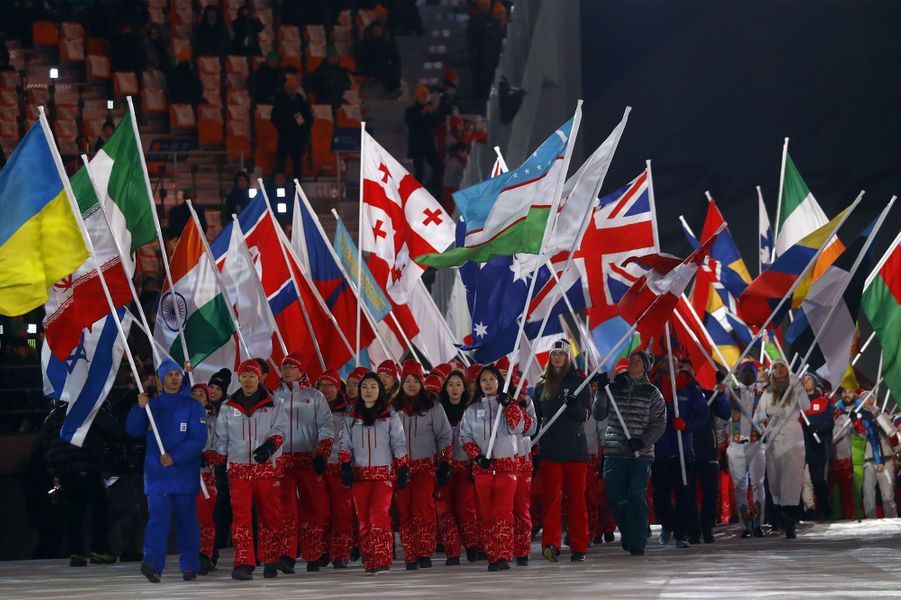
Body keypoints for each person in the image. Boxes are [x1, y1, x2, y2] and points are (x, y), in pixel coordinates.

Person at [126, 359, 207, 583]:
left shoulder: (193, 406)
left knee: (187, 522)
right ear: (162, 379)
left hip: (183, 477)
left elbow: (198, 439)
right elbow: (132, 430)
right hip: (157, 476)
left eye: (177, 374)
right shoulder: (152, 406)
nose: (174, 378)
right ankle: (153, 564)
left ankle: (190, 566)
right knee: (157, 521)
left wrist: (176, 456)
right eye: (169, 374)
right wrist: (139, 408)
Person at [209, 360, 288, 580]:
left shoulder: (275, 402)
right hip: (239, 469)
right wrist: (216, 457)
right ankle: (244, 562)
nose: (247, 380)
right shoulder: (228, 406)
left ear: (260, 378)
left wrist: (270, 447)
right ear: (239, 378)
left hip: (266, 469)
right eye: (243, 375)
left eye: (252, 375)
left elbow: (281, 429)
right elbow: (222, 438)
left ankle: (271, 559)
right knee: (241, 518)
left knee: (270, 517)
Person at [591, 350, 666, 556]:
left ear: (645, 367)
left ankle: (638, 539)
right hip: (615, 452)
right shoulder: (613, 388)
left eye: (638, 360)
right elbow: (598, 413)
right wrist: (601, 391)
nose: (633, 362)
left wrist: (642, 442)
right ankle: (627, 531)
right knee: (615, 498)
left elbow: (659, 423)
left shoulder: (652, 393)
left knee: (635, 494)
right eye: (631, 359)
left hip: (640, 455)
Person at [338, 372, 409, 575]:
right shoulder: (352, 417)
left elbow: (398, 443)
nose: (368, 391)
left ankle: (382, 558)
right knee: (364, 520)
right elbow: (345, 444)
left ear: (380, 390)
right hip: (360, 476)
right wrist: (345, 465)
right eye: (365, 387)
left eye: (373, 387)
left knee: (379, 516)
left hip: (383, 475)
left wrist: (403, 467)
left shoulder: (390, 415)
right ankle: (369, 559)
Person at [271, 352, 334, 573]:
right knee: (286, 509)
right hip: (282, 461)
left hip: (308, 459)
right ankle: (286, 555)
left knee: (314, 508)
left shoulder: (315, 396)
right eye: (284, 366)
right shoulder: (274, 396)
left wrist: (322, 453)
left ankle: (313, 554)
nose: (286, 370)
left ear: (301, 369)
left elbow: (326, 426)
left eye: (291, 366)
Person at [42, 400, 122, 567]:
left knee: (73, 513)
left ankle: (76, 553)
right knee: (99, 510)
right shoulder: (91, 409)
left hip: (65, 470)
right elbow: (115, 431)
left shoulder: (53, 417)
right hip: (89, 466)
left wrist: (55, 470)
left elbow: (46, 445)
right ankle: (99, 550)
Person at [460, 365, 524, 571]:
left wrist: (510, 406)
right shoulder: (471, 410)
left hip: (506, 466)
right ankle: (492, 555)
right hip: (484, 469)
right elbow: (465, 437)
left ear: (499, 382)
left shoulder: (508, 404)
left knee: (503, 511)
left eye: (492, 380)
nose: (488, 384)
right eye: (484, 380)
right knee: (486, 513)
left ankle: (504, 554)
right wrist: (477, 456)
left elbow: (518, 427)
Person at [532, 340, 591, 562]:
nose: (557, 357)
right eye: (554, 354)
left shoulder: (579, 382)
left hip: (575, 449)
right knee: (551, 499)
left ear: (568, 357)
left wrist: (574, 404)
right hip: (550, 450)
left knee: (576, 498)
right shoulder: (540, 386)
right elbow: (535, 419)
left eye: (561, 354)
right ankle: (551, 544)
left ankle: (579, 545)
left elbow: (586, 415)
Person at [392, 360, 453, 569]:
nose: (411, 384)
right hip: (401, 468)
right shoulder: (394, 409)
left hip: (425, 467)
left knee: (423, 507)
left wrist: (445, 461)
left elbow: (444, 436)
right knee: (405, 510)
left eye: (415, 380)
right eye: (407, 380)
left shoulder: (433, 407)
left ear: (422, 382)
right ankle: (410, 554)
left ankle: (425, 551)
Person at [651, 356, 709, 549]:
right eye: (666, 361)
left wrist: (686, 424)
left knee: (685, 494)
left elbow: (702, 416)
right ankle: (669, 524)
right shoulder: (654, 386)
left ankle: (681, 533)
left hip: (682, 449)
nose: (670, 365)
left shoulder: (690, 387)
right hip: (659, 450)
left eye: (673, 362)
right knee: (660, 496)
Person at [753, 359, 809, 539]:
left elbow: (806, 406)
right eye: (775, 367)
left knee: (791, 480)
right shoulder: (767, 393)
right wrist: (767, 412)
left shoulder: (794, 388)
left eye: (782, 366)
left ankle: (790, 522)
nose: (779, 369)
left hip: (793, 439)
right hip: (774, 440)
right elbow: (755, 418)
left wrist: (798, 386)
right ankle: (779, 518)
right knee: (775, 482)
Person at [436, 369, 480, 563]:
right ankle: (452, 551)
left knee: (465, 508)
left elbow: (477, 438)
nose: (454, 389)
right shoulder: (437, 410)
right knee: (445, 509)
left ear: (464, 388)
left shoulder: (471, 411)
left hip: (465, 466)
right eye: (451, 385)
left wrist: (475, 464)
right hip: (443, 467)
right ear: (445, 388)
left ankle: (472, 545)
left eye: (458, 385)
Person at [685, 360, 731, 544]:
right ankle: (693, 529)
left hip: (708, 450)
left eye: (689, 371)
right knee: (687, 493)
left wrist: (720, 395)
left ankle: (707, 526)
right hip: (687, 449)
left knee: (710, 492)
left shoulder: (707, 394)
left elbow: (726, 413)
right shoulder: (676, 396)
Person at [725, 361, 767, 537]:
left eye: (751, 372)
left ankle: (758, 523)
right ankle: (745, 525)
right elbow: (722, 416)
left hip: (757, 444)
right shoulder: (731, 393)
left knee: (758, 483)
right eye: (745, 372)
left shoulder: (763, 394)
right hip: (736, 446)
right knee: (740, 486)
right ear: (739, 374)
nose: (748, 375)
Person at [320, 368, 356, 568]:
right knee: (320, 512)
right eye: (322, 385)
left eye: (330, 385)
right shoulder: (314, 407)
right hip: (319, 467)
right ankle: (321, 551)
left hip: (340, 466)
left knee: (342, 513)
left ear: (337, 386)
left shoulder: (349, 410)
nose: (326, 390)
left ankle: (341, 553)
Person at [585, 372, 617, 545]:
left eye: (595, 386)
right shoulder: (579, 405)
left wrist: (605, 451)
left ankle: (608, 527)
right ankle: (593, 530)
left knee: (602, 495)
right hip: (583, 456)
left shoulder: (602, 404)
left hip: (599, 455)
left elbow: (604, 430)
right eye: (590, 386)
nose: (593, 389)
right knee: (589, 497)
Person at [191, 383, 218, 575]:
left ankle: (205, 554)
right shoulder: (182, 417)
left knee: (206, 517)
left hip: (208, 475)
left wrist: (208, 456)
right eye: (194, 394)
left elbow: (221, 443)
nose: (197, 397)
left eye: (201, 395)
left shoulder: (215, 420)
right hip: (187, 474)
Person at [857, 393, 898, 518]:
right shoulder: (859, 419)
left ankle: (893, 523)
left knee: (887, 496)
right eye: (864, 398)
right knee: (868, 496)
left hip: (885, 459)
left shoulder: (882, 415)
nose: (868, 400)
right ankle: (871, 523)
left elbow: (891, 433)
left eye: (870, 397)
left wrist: (877, 415)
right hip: (867, 460)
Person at [511, 372, 537, 565]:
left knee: (521, 507)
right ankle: (502, 548)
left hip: (522, 459)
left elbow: (530, 428)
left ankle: (522, 550)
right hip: (499, 460)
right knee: (502, 509)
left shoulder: (525, 401)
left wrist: (515, 407)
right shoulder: (486, 402)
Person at [405, 85, 444, 197]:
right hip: (417, 145)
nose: (424, 97)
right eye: (422, 95)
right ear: (417, 97)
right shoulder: (411, 110)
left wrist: (433, 112)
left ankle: (435, 190)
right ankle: (418, 194)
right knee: (419, 172)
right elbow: (410, 121)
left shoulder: (430, 109)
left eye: (426, 95)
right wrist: (423, 112)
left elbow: (437, 123)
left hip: (428, 144)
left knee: (438, 166)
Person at [271, 77, 313, 179]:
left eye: (294, 87)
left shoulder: (301, 102)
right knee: (281, 164)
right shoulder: (280, 101)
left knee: (297, 167)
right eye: (290, 87)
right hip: (285, 137)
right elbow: (275, 118)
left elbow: (309, 119)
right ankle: (278, 189)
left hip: (298, 138)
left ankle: (297, 190)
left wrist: (302, 127)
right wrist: (285, 126)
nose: (292, 90)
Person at [830, 387, 857, 520]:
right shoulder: (825, 420)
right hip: (829, 460)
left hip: (844, 460)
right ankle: (830, 518)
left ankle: (849, 517)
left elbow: (859, 432)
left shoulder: (844, 419)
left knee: (846, 492)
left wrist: (855, 421)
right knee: (830, 494)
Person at [355, 21, 402, 95]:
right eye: (375, 30)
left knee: (391, 70)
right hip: (367, 69)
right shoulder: (363, 44)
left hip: (382, 69)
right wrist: (360, 73)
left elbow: (395, 60)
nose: (377, 32)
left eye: (379, 30)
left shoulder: (387, 45)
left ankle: (393, 90)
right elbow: (359, 59)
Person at [309, 46, 352, 110]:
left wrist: (339, 85)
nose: (335, 58)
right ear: (327, 58)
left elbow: (348, 84)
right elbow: (315, 87)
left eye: (336, 56)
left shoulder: (341, 71)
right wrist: (328, 85)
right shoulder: (319, 71)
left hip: (339, 97)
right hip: (325, 98)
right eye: (333, 56)